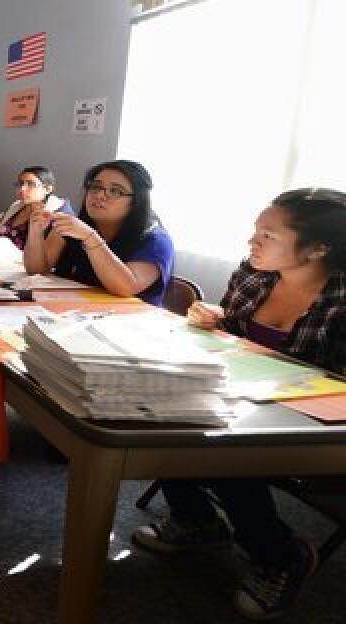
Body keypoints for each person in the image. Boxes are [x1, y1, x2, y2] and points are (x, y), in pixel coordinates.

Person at [132, 188, 346, 620]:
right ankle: (197, 521)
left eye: (267, 234)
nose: (253, 241)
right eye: (255, 230)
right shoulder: (254, 276)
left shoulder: (340, 303)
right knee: (157, 407)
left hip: (321, 428)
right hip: (249, 400)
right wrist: (216, 322)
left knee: (224, 450)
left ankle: (282, 556)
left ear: (317, 249)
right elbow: (235, 337)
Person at [24, 159, 173, 306]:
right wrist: (35, 232)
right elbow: (36, 271)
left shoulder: (156, 240)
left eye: (115, 191)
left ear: (137, 201)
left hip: (129, 321)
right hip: (73, 312)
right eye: (95, 187)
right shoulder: (73, 226)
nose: (100, 195)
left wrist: (90, 237)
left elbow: (125, 287)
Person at [0, 165, 73, 249]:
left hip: (22, 267)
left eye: (31, 184)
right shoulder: (15, 208)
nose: (22, 189)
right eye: (20, 184)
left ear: (48, 189)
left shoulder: (57, 218)